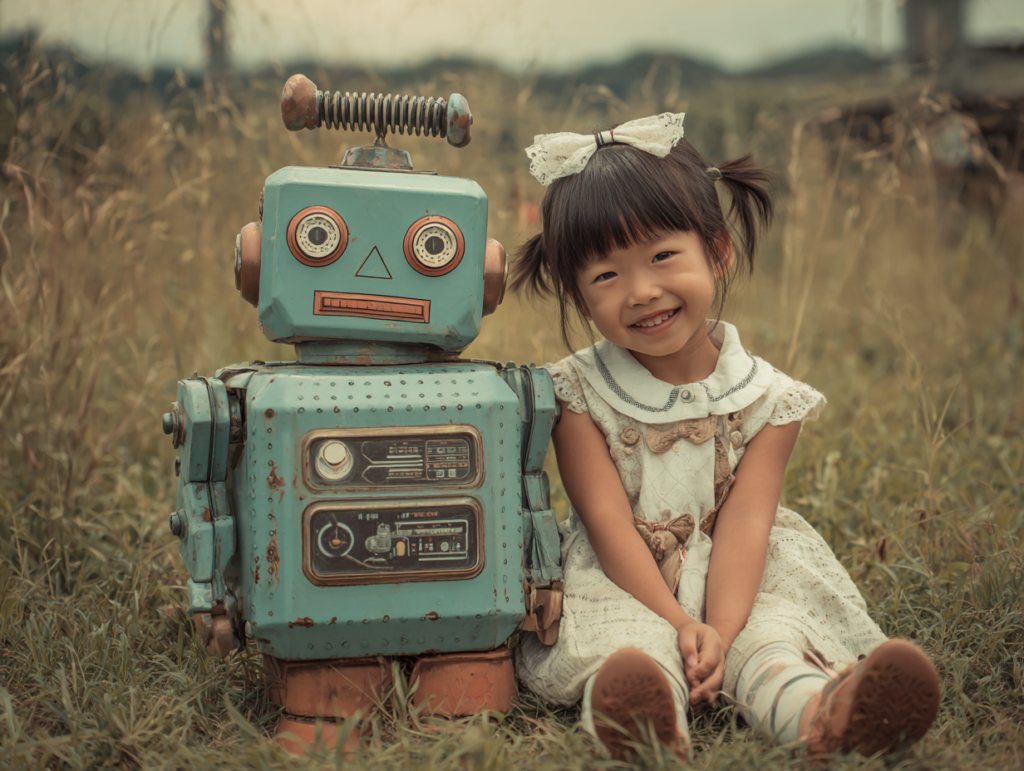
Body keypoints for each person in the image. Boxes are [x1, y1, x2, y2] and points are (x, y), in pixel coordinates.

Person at [511, 115, 941, 761]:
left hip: (739, 573)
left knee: (767, 638)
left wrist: (719, 627)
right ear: (578, 291)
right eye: (606, 276)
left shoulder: (768, 397)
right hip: (623, 575)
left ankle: (825, 713)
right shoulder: (575, 392)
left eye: (662, 255)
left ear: (718, 251)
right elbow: (605, 522)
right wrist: (682, 624)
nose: (642, 291)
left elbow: (745, 521)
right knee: (630, 648)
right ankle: (640, 722)